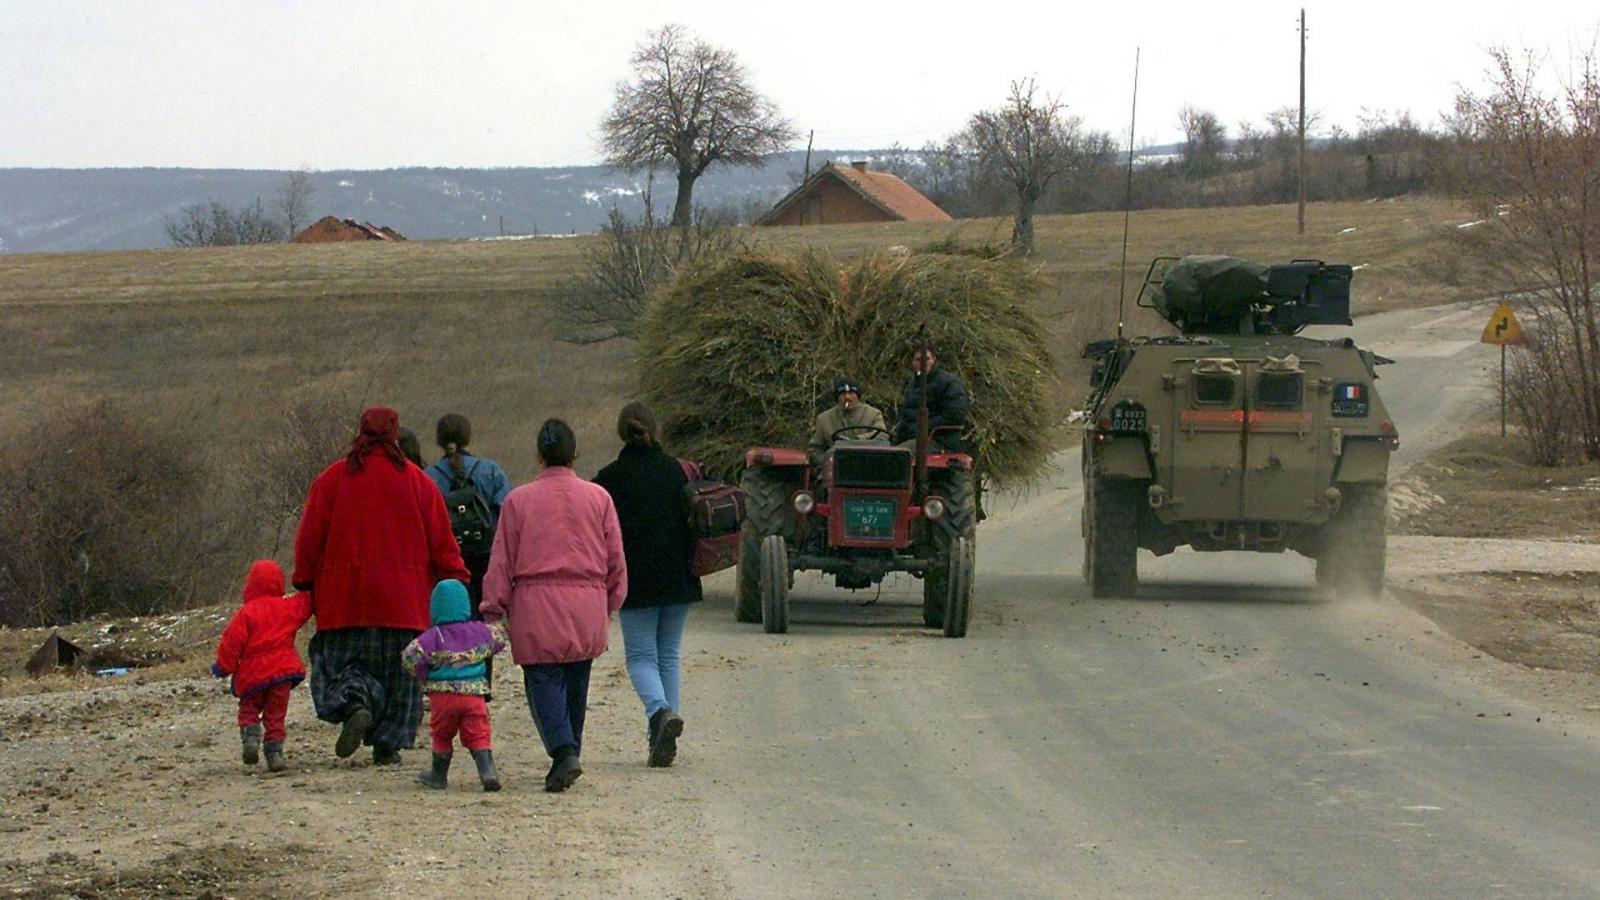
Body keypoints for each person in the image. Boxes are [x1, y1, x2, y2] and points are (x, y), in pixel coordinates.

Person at [293, 406, 470, 766]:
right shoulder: (419, 483)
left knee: (346, 668)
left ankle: (357, 703)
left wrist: (305, 580)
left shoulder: (331, 480)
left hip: (344, 602)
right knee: (401, 676)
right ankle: (387, 745)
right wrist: (456, 577)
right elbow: (442, 541)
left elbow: (309, 538)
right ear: (395, 434)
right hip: (404, 602)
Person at [481, 419, 626, 793]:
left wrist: (493, 607)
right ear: (574, 453)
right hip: (587, 600)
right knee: (578, 680)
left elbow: (502, 560)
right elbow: (615, 559)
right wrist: (611, 599)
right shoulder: (599, 498)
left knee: (544, 680)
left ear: (538, 455)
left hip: (536, 601)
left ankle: (563, 751)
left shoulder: (518, 501)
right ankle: (570, 749)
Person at [593, 402, 702, 767]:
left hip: (635, 581)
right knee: (668, 655)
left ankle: (659, 714)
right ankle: (662, 732)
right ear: (655, 430)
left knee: (641, 657)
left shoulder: (608, 479)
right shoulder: (677, 471)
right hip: (679, 577)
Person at [423, 414, 513, 697]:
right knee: (482, 622)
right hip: (486, 557)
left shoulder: (429, 478)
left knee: (450, 620)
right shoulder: (489, 471)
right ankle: (481, 682)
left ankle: (449, 681)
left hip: (449, 562)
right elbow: (506, 511)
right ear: (468, 436)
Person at [401, 579, 507, 792]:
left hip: (442, 698)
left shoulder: (432, 637)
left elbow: (410, 657)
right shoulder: (478, 631)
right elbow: (500, 638)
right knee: (478, 733)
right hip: (474, 696)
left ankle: (438, 774)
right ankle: (487, 772)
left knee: (441, 734)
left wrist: (424, 675)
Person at [212, 559, 313, 773]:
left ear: (250, 584)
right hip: (282, 673)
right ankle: (275, 753)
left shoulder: (246, 613)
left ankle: (250, 736)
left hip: (252, 675)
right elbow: (307, 603)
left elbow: (231, 642)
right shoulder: (287, 608)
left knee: (248, 709)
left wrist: (223, 667)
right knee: (276, 715)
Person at [893, 344, 971, 452]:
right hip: (913, 438)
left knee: (897, 455)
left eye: (927, 359)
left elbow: (955, 414)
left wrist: (924, 428)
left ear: (933, 360)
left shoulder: (949, 383)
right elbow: (906, 414)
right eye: (919, 359)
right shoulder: (912, 385)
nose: (923, 363)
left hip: (939, 440)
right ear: (913, 363)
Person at [807, 376, 887, 463]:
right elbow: (814, 449)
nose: (847, 397)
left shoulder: (873, 414)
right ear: (837, 397)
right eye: (843, 393)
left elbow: (882, 435)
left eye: (851, 393)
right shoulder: (824, 419)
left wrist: (859, 440)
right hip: (837, 467)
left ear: (857, 395)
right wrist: (828, 461)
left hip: (867, 463)